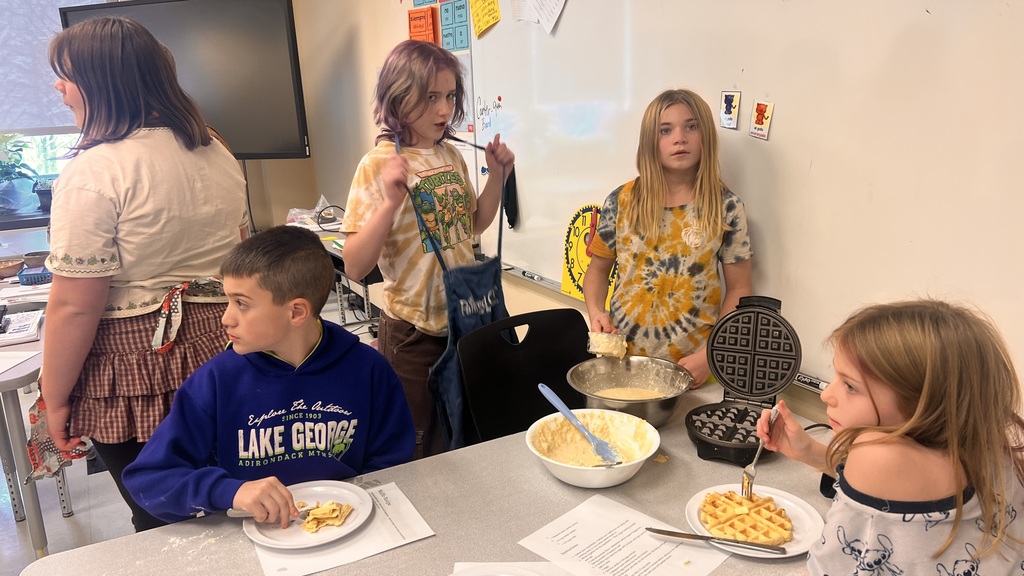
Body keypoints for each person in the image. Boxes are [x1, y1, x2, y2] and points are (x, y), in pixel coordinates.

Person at [42, 17, 249, 531]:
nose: (58, 88)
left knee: (163, 519)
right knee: (229, 501)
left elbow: (75, 305)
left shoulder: (94, 172)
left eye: (66, 76)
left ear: (100, 81)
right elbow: (243, 258)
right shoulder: (217, 151)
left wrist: (56, 396)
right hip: (223, 347)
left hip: (136, 366)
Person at [122, 226, 415, 526]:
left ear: (297, 312)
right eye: (228, 301)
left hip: (349, 528)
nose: (226, 318)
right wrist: (230, 491)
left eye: (242, 304)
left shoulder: (368, 369)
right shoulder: (216, 382)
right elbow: (148, 479)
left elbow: (394, 464)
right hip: (252, 537)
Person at [756, 299, 1024, 574]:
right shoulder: (996, 436)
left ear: (921, 401)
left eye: (850, 386)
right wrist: (809, 452)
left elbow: (829, 566)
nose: (826, 395)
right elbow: (905, 487)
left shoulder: (876, 456)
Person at [340, 40, 515, 458]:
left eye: (450, 96)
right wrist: (389, 204)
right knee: (420, 444)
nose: (443, 110)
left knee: (464, 434)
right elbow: (354, 265)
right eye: (430, 97)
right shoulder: (376, 165)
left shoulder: (450, 154)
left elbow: (471, 225)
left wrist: (499, 176)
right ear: (399, 98)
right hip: (412, 335)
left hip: (463, 323)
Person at [583, 89, 753, 388]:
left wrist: (710, 354)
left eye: (691, 126)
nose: (680, 138)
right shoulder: (621, 202)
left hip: (693, 369)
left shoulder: (726, 207)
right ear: (651, 141)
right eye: (666, 130)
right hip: (623, 364)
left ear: (706, 136)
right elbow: (597, 272)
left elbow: (740, 288)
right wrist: (596, 312)